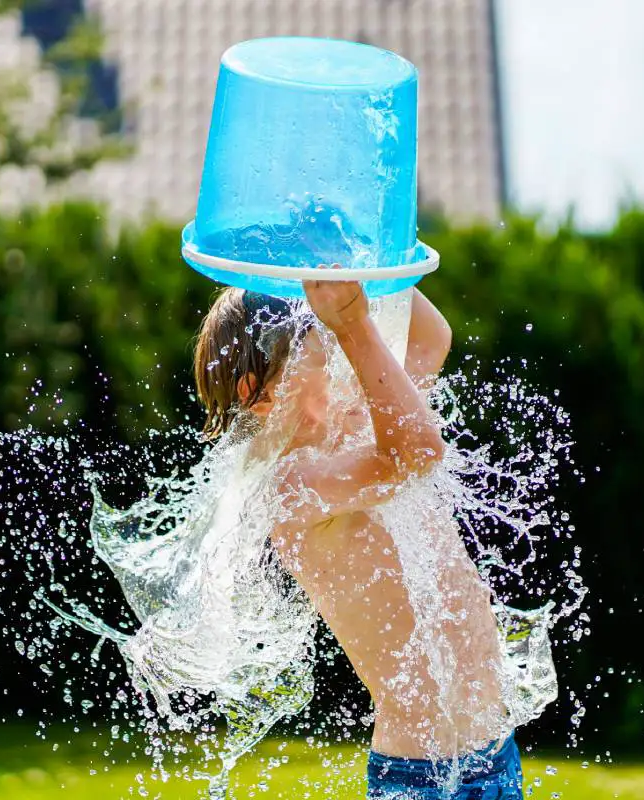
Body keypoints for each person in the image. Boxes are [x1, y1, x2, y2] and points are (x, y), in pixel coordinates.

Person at [192, 270, 527, 799]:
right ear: (257, 393)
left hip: (492, 755)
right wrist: (351, 326)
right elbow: (415, 455)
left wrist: (365, 254)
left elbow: (430, 336)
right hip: (425, 776)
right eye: (316, 346)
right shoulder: (286, 485)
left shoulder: (353, 427)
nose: (332, 351)